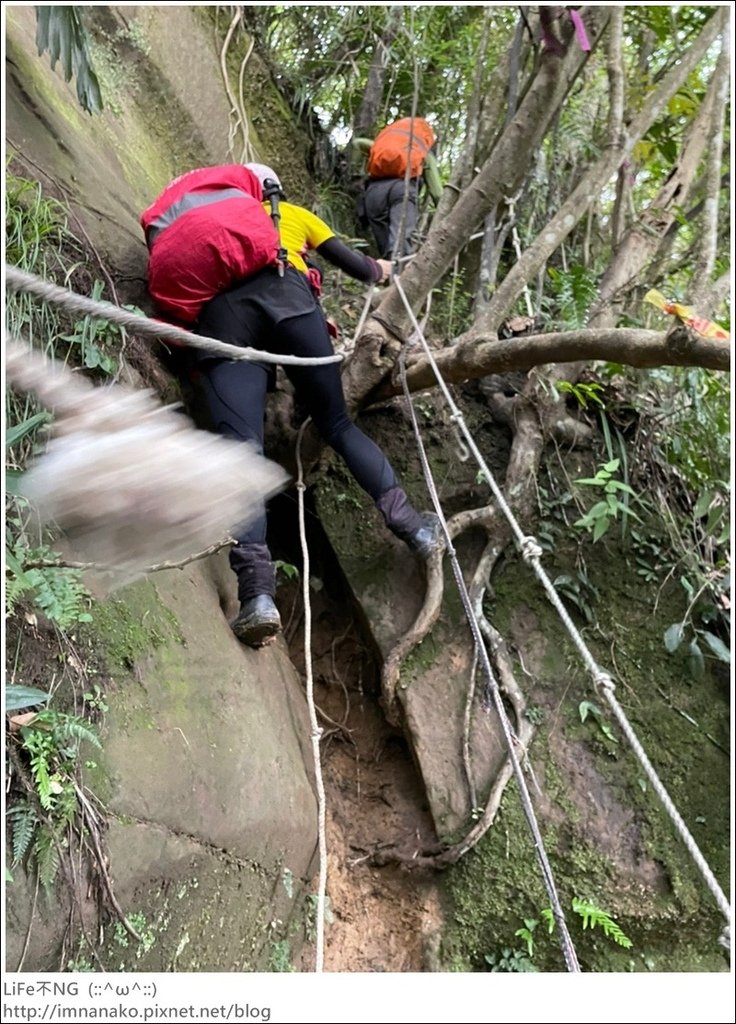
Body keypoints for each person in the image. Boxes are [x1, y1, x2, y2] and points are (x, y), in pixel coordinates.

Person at [143, 162, 442, 648]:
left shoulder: (195, 233)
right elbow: (364, 270)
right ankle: (413, 526)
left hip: (222, 318)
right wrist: (390, 267)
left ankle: (257, 597)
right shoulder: (289, 218)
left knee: (242, 455)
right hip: (289, 295)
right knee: (337, 423)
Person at [354, 117, 442, 261]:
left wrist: (354, 170)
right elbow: (437, 192)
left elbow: (357, 143)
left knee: (383, 238)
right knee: (399, 244)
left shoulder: (382, 146)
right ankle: (397, 275)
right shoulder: (422, 152)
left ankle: (386, 270)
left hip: (374, 192)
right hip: (403, 189)